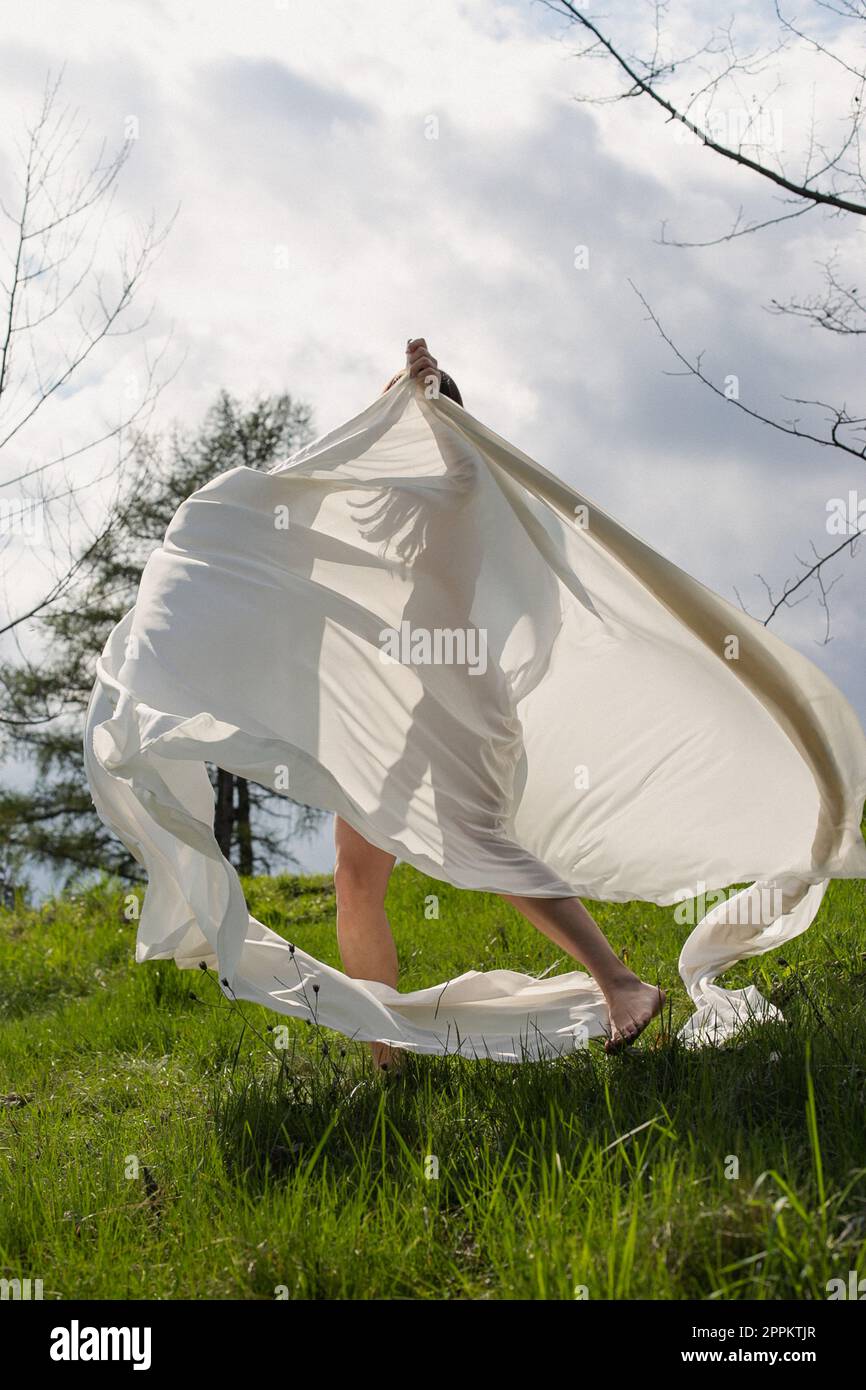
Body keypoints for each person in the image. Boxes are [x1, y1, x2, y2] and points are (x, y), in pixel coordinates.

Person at [333, 337, 665, 1071]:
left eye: (412, 411)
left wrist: (424, 387)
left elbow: (457, 477)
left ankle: (622, 985)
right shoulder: (395, 512)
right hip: (405, 708)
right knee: (356, 875)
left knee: (479, 845)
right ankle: (386, 1056)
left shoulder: (465, 488)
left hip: (456, 698)